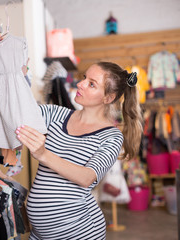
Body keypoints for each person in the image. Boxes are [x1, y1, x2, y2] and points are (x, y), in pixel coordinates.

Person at [15, 62, 143, 239]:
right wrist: (18, 77)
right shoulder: (55, 114)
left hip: (81, 232)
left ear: (108, 98)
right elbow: (18, 114)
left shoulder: (111, 137)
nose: (80, 84)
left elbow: (87, 177)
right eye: (84, 78)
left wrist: (43, 154)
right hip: (40, 234)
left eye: (92, 84)